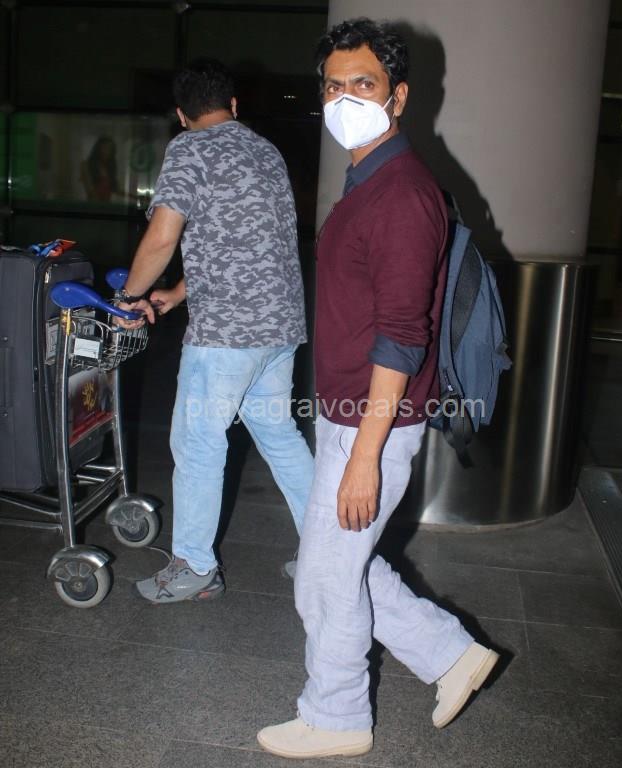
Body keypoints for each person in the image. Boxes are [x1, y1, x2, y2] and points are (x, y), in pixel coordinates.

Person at [257, 19, 499, 759]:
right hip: (350, 413)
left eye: (362, 84)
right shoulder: (370, 179)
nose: (344, 99)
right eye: (333, 86)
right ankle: (451, 656)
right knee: (340, 563)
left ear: (398, 96)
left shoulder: (402, 193)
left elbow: (401, 335)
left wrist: (365, 454)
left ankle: (337, 717)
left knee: (324, 578)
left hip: (373, 420)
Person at [115, 57, 314, 603]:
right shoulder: (265, 151)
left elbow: (163, 236)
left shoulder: (190, 148)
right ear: (233, 105)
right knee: (280, 436)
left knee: (198, 442)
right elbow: (245, 238)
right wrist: (179, 292)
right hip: (280, 326)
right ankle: (326, 555)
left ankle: (196, 567)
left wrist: (129, 298)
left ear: (182, 115)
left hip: (226, 334)